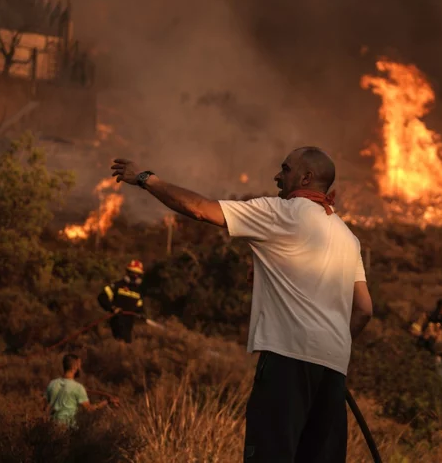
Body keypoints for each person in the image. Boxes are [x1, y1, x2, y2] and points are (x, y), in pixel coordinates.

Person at [110, 147, 374, 462]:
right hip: (332, 372)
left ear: (305, 177)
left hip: (286, 363)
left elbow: (199, 209)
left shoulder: (280, 212)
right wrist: (329, 351)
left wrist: (145, 179)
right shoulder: (348, 237)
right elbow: (364, 310)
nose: (278, 176)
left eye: (285, 168)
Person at [44, 354, 119, 427]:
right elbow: (89, 409)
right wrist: (106, 402)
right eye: (79, 365)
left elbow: (45, 408)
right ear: (74, 367)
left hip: (52, 428)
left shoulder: (52, 384)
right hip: (67, 430)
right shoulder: (78, 387)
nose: (80, 368)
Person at [97, 260, 145, 343]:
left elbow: (139, 306)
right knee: (119, 342)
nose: (135, 276)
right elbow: (102, 297)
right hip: (117, 320)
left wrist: (140, 313)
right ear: (128, 272)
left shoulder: (138, 291)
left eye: (138, 274)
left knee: (127, 342)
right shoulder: (117, 286)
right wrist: (113, 308)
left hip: (129, 324)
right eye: (133, 273)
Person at [410, 298, 442, 379]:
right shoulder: (426, 317)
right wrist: (423, 336)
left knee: (439, 375)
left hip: (437, 352)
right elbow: (414, 330)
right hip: (424, 350)